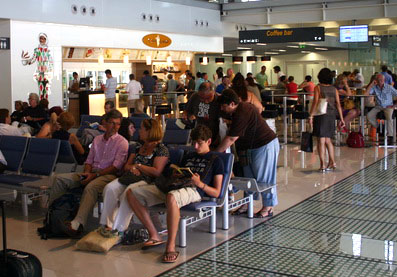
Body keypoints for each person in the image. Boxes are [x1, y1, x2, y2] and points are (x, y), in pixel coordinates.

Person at [126, 125, 224, 263]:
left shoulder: (216, 160)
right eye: (193, 142)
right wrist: (175, 173)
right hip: (175, 185)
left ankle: (170, 245)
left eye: (199, 143)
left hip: (195, 190)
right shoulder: (188, 156)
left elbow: (217, 192)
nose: (195, 146)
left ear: (208, 141)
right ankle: (154, 234)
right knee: (132, 193)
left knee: (172, 197)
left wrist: (199, 183)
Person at [46, 110, 128, 237]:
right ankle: (52, 216)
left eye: (117, 124)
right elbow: (89, 160)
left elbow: (116, 167)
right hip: (92, 172)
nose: (115, 127)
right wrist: (87, 173)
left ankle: (78, 223)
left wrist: (94, 176)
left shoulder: (122, 142)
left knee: (91, 187)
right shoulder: (97, 140)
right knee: (59, 179)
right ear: (105, 123)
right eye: (112, 123)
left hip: (108, 175)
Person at [98, 118, 170, 240]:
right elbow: (127, 166)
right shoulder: (137, 146)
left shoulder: (161, 149)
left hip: (147, 180)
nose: (138, 130)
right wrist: (132, 167)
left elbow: (156, 171)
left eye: (141, 128)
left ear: (149, 131)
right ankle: (107, 225)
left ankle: (119, 229)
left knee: (128, 192)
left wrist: (139, 167)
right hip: (130, 177)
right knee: (110, 188)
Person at [216, 89, 278, 217]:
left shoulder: (243, 110)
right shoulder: (236, 112)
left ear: (232, 104)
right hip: (249, 148)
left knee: (264, 178)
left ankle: (268, 206)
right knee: (248, 178)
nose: (222, 109)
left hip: (264, 145)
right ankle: (247, 203)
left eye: (224, 106)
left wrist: (215, 153)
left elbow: (231, 138)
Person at [309, 68, 344, 171]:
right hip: (331, 115)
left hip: (321, 115)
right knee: (328, 140)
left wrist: (311, 115)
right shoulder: (334, 89)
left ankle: (323, 164)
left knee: (321, 140)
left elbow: (315, 102)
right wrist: (341, 119)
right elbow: (338, 104)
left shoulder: (318, 88)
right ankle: (332, 162)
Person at [366, 73, 397, 143]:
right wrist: (371, 84)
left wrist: (395, 105)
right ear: (376, 80)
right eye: (379, 80)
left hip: (388, 106)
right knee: (369, 116)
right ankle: (378, 126)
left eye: (382, 79)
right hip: (378, 106)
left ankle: (390, 136)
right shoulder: (374, 87)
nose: (380, 81)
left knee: (389, 117)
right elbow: (366, 94)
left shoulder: (389, 87)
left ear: (384, 80)